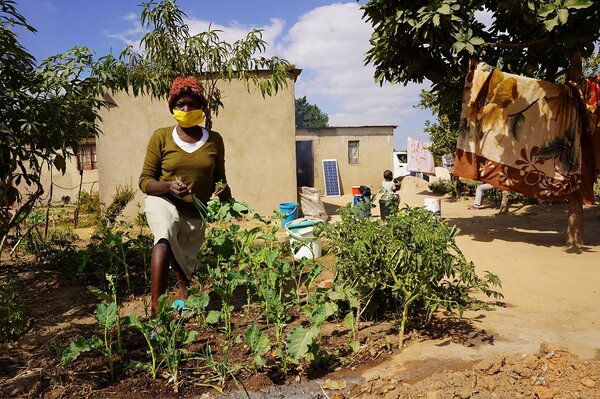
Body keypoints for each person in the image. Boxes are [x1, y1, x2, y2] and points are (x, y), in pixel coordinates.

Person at [139, 76, 230, 316]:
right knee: (165, 234)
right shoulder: (161, 137)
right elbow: (145, 181)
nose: (186, 109)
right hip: (164, 200)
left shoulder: (214, 140)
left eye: (191, 104)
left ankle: (183, 290)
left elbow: (220, 178)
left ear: (202, 108)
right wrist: (168, 187)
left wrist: (224, 191)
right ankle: (156, 310)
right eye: (180, 105)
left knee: (186, 265)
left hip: (195, 211)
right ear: (172, 108)